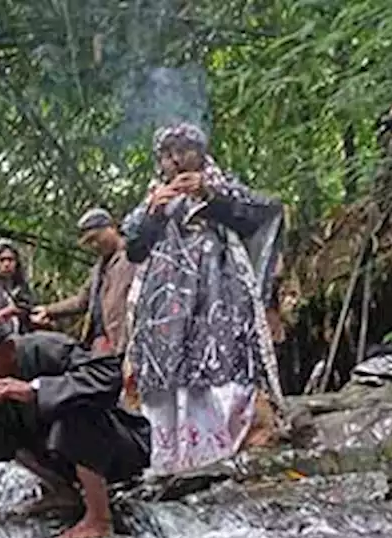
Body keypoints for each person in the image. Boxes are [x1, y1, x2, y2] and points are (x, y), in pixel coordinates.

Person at [122, 122, 285, 475]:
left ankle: (223, 454)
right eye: (168, 154)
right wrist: (151, 212)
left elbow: (263, 213)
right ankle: (168, 461)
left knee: (220, 370)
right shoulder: (152, 198)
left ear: (201, 152)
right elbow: (133, 248)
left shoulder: (221, 185)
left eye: (184, 151)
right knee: (167, 378)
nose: (177, 161)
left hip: (216, 298)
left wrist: (212, 195)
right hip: (164, 309)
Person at [0, 312, 151, 538]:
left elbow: (108, 376)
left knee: (74, 410)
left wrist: (36, 390)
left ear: (8, 350)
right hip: (62, 460)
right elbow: (0, 451)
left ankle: (100, 518)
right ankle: (63, 493)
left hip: (118, 448)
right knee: (12, 429)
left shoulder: (47, 346)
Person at [36, 208, 139, 354]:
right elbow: (81, 301)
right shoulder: (99, 267)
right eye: (89, 242)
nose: (94, 245)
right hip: (100, 342)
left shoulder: (132, 257)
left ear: (112, 228)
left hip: (123, 341)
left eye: (96, 237)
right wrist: (48, 310)